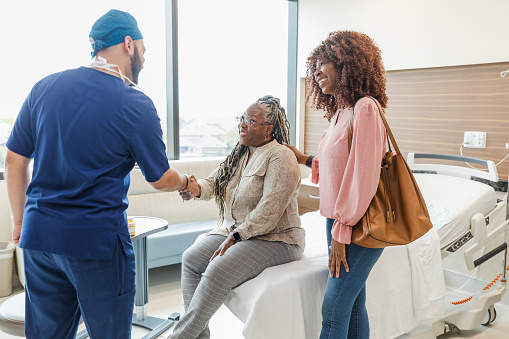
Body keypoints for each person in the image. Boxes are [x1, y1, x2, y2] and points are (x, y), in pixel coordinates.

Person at [5, 9, 189, 339]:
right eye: (144, 52)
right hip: (95, 242)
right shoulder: (134, 104)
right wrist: (187, 183)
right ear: (128, 44)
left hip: (38, 238)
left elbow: (14, 162)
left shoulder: (44, 87)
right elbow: (160, 178)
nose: (143, 61)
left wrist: (19, 223)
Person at [170, 95, 305, 339]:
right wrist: (195, 189)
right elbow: (213, 182)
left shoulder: (281, 157)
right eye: (241, 119)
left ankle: (179, 336)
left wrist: (236, 236)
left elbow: (270, 211)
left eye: (251, 121)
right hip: (239, 233)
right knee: (191, 258)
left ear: (268, 129)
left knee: (217, 269)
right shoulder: (240, 154)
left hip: (277, 238)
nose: (242, 124)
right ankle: (198, 336)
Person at [285, 31, 388, 339]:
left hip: (357, 226)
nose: (316, 73)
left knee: (333, 311)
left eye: (323, 63)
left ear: (347, 65)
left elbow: (362, 178)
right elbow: (338, 167)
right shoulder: (341, 112)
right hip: (339, 221)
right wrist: (305, 159)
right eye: (314, 66)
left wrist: (341, 230)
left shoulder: (366, 108)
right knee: (354, 306)